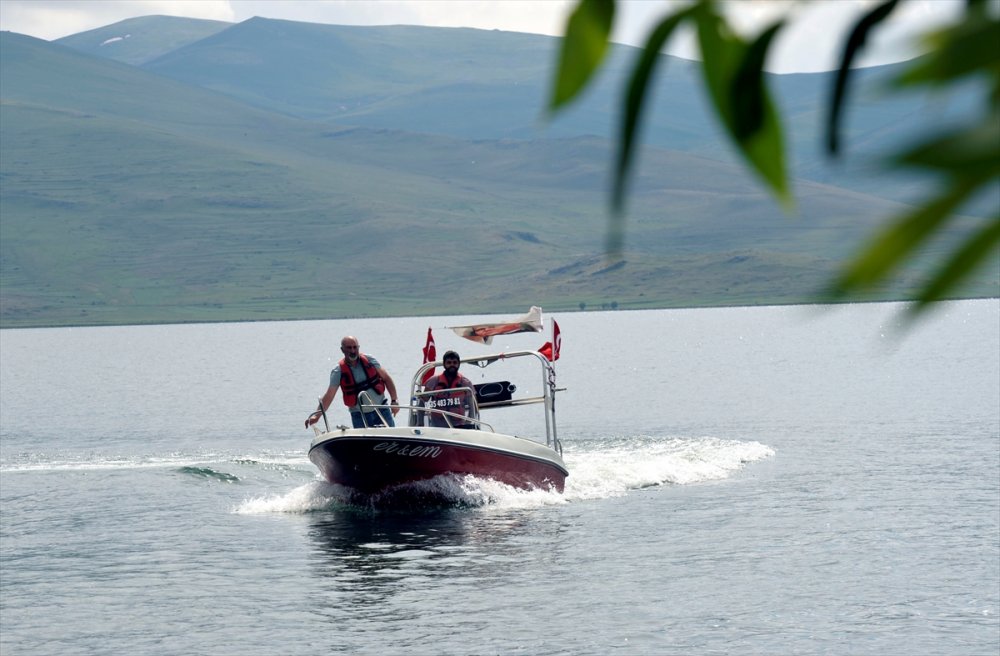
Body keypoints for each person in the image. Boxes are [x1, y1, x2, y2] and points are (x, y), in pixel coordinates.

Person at [305, 335, 399, 429]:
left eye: (355, 347)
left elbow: (387, 378)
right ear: (342, 350)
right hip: (359, 415)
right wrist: (317, 416)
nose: (353, 351)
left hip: (382, 410)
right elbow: (329, 395)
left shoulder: (370, 360)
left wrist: (394, 401)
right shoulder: (338, 371)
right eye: (349, 348)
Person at [422, 350, 478, 428]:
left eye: (455, 363)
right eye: (449, 363)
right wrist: (420, 422)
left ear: (459, 364)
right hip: (437, 426)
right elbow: (422, 401)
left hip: (459, 426)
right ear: (444, 364)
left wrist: (468, 422)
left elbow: (473, 406)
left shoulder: (465, 383)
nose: (452, 365)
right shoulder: (433, 381)